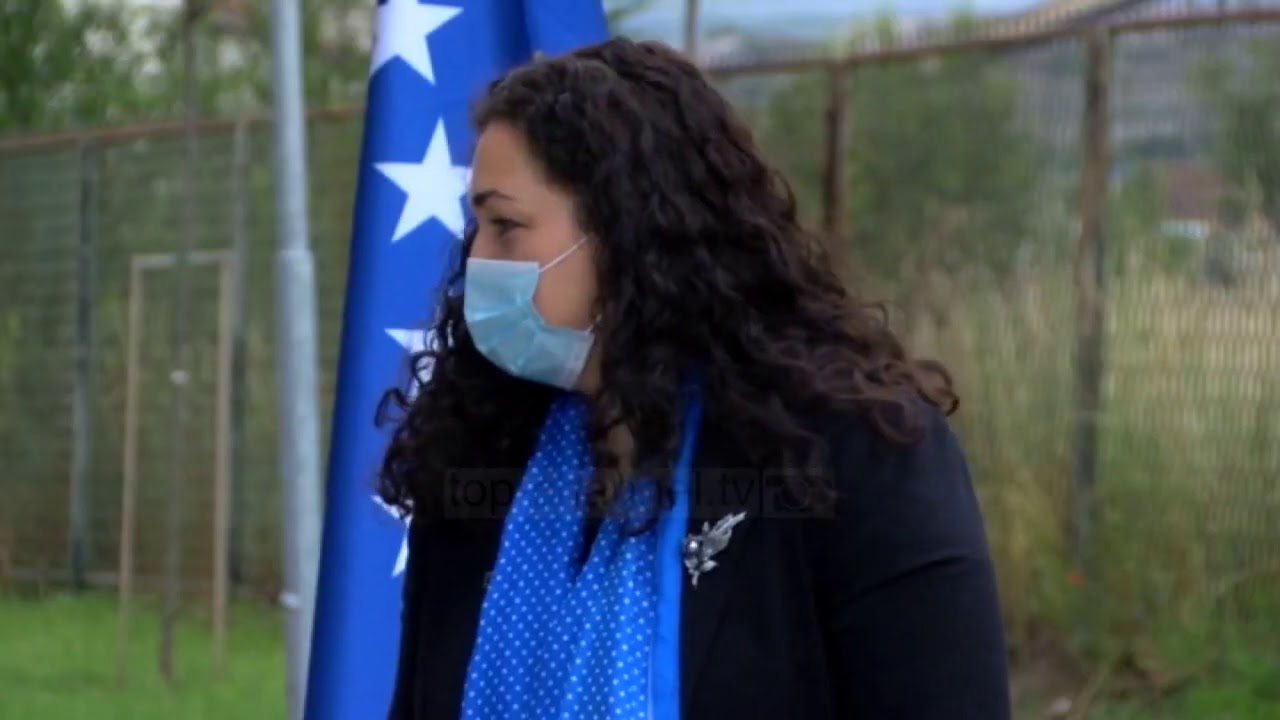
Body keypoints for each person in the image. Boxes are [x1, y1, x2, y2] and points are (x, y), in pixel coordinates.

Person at [378, 36, 1011, 720]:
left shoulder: (853, 454)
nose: (476, 260)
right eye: (476, 227)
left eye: (506, 225)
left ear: (626, 234)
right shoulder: (480, 459)